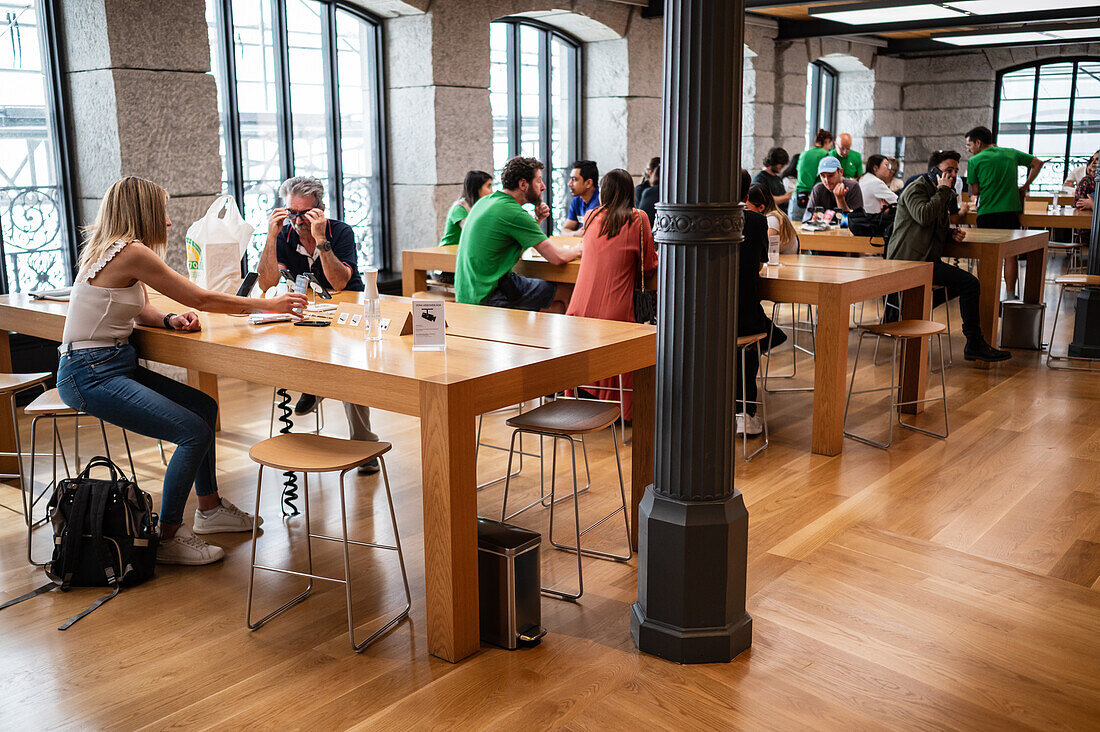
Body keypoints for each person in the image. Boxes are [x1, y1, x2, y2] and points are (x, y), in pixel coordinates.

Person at [56, 177, 307, 565]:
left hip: (105, 363)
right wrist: (268, 306)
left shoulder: (106, 250)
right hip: (91, 373)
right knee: (193, 431)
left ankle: (209, 510)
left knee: (204, 407)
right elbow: (200, 297)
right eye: (164, 212)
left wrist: (168, 318)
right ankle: (168, 535)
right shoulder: (131, 251)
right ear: (145, 213)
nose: (169, 223)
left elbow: (134, 305)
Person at [256, 176, 381, 475]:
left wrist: (321, 240)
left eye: (304, 214)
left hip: (347, 313)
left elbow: (339, 282)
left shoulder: (340, 232)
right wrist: (270, 238)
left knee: (348, 371)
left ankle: (363, 442)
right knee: (283, 342)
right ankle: (314, 383)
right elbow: (266, 282)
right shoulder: (284, 237)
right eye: (292, 213)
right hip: (306, 315)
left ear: (320, 210)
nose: (297, 221)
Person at [886, 157, 1011, 363]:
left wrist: (950, 234)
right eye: (949, 170)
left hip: (926, 260)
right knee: (970, 284)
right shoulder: (916, 188)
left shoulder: (942, 192)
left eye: (956, 171)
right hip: (909, 261)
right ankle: (974, 343)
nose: (953, 175)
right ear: (935, 170)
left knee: (964, 285)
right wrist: (943, 192)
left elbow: (932, 226)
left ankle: (913, 311)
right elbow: (923, 216)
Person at [565, 169, 657, 421]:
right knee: (632, 347)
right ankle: (621, 413)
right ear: (631, 191)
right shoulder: (639, 218)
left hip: (578, 308)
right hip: (615, 308)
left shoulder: (592, 215)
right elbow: (648, 266)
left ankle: (583, 401)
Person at [455, 156, 580, 311]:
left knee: (554, 304)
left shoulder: (485, 202)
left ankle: (528, 334)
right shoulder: (514, 213)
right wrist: (579, 249)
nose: (543, 187)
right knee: (569, 291)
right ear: (523, 184)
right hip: (490, 295)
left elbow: (512, 249)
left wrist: (537, 220)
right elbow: (558, 258)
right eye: (538, 181)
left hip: (467, 294)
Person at [964, 125, 1045, 295]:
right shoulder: (1011, 153)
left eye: (969, 146)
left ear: (978, 143)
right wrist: (1025, 186)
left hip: (986, 212)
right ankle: (1009, 295)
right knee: (1010, 255)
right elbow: (1038, 163)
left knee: (988, 255)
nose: (969, 150)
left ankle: (988, 294)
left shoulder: (974, 161)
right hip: (1010, 212)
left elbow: (976, 191)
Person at [736, 170, 786, 436]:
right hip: (742, 317)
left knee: (753, 330)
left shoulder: (697, 219)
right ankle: (744, 412)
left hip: (696, 320)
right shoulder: (755, 222)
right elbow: (758, 264)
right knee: (752, 331)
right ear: (746, 196)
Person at [440, 170, 493, 247]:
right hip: (448, 251)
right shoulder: (459, 208)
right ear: (476, 187)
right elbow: (471, 231)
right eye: (488, 186)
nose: (492, 191)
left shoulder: (478, 206)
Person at [803, 156, 864, 222]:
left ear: (840, 172)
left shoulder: (852, 187)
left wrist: (840, 199)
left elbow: (852, 223)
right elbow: (806, 220)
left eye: (830, 175)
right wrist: (813, 220)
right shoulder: (818, 189)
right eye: (823, 176)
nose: (826, 180)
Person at [791, 128, 834, 222]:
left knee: (796, 231)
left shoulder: (803, 154)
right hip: (814, 200)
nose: (830, 147)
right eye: (830, 144)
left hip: (797, 197)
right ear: (827, 141)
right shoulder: (826, 156)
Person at [746, 183, 799, 254]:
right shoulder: (773, 216)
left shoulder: (771, 220)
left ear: (761, 207)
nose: (743, 211)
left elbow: (763, 250)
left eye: (746, 207)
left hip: (787, 263)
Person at [563, 160, 600, 235]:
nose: (569, 184)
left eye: (574, 179)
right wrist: (576, 234)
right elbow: (564, 230)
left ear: (588, 183)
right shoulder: (577, 200)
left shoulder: (601, 201)